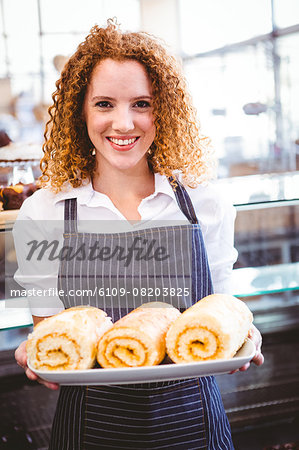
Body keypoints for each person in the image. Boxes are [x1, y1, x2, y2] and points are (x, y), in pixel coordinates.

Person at [14, 19, 263, 450]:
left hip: (196, 430)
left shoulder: (204, 204)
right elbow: (49, 334)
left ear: (163, 110)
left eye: (142, 103)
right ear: (81, 111)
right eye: (105, 104)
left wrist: (244, 338)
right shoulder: (45, 211)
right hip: (89, 433)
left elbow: (225, 310)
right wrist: (35, 351)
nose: (124, 123)